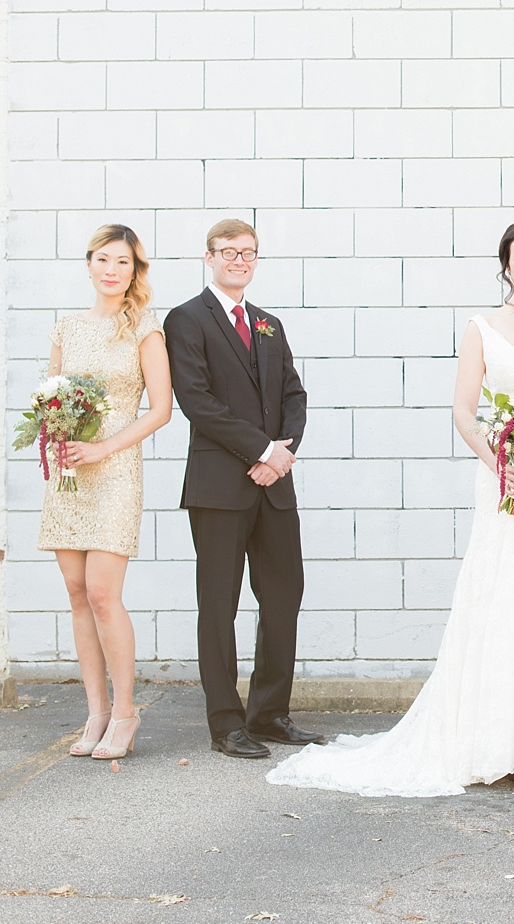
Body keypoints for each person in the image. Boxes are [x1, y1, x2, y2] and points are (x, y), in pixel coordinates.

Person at [266, 217, 514, 796]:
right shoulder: (482, 327)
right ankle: (496, 740)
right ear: (506, 266)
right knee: (502, 594)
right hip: (504, 479)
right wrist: (499, 461)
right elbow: (463, 410)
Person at [164, 219, 317, 760]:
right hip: (219, 487)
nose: (239, 260)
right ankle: (226, 722)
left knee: (283, 595)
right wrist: (261, 450)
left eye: (248, 253)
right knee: (219, 604)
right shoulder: (186, 319)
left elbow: (294, 394)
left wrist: (282, 453)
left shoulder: (269, 324)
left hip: (273, 485)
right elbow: (197, 400)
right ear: (209, 257)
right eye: (228, 252)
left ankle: (270, 713)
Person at [38, 224, 172, 761]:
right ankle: (94, 712)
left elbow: (160, 410)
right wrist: (58, 442)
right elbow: (50, 398)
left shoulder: (144, 329)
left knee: (101, 593)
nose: (111, 270)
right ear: (89, 264)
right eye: (103, 259)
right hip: (70, 471)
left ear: (134, 271)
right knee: (74, 590)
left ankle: (125, 713)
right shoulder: (66, 328)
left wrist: (104, 448)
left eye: (123, 262)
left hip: (115, 469)